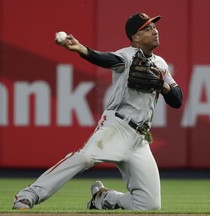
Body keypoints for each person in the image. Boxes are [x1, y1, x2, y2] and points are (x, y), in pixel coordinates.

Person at [12, 12, 183, 211]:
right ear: (135, 38)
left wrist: (163, 86)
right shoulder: (127, 56)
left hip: (140, 139)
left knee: (149, 205)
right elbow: (105, 59)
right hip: (117, 126)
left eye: (154, 26)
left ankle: (104, 198)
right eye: (147, 28)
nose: (154, 30)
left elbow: (177, 100)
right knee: (85, 157)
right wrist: (82, 49)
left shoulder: (160, 64)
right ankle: (28, 195)